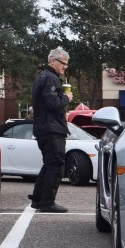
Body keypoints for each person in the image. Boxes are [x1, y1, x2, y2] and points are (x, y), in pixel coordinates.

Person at [28, 47, 73, 213]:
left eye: (66, 64)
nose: (64, 67)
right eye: (63, 63)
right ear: (52, 61)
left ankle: (38, 199)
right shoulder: (51, 79)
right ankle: (47, 202)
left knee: (49, 164)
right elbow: (53, 103)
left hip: (44, 127)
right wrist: (66, 98)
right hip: (51, 128)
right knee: (56, 164)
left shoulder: (42, 77)